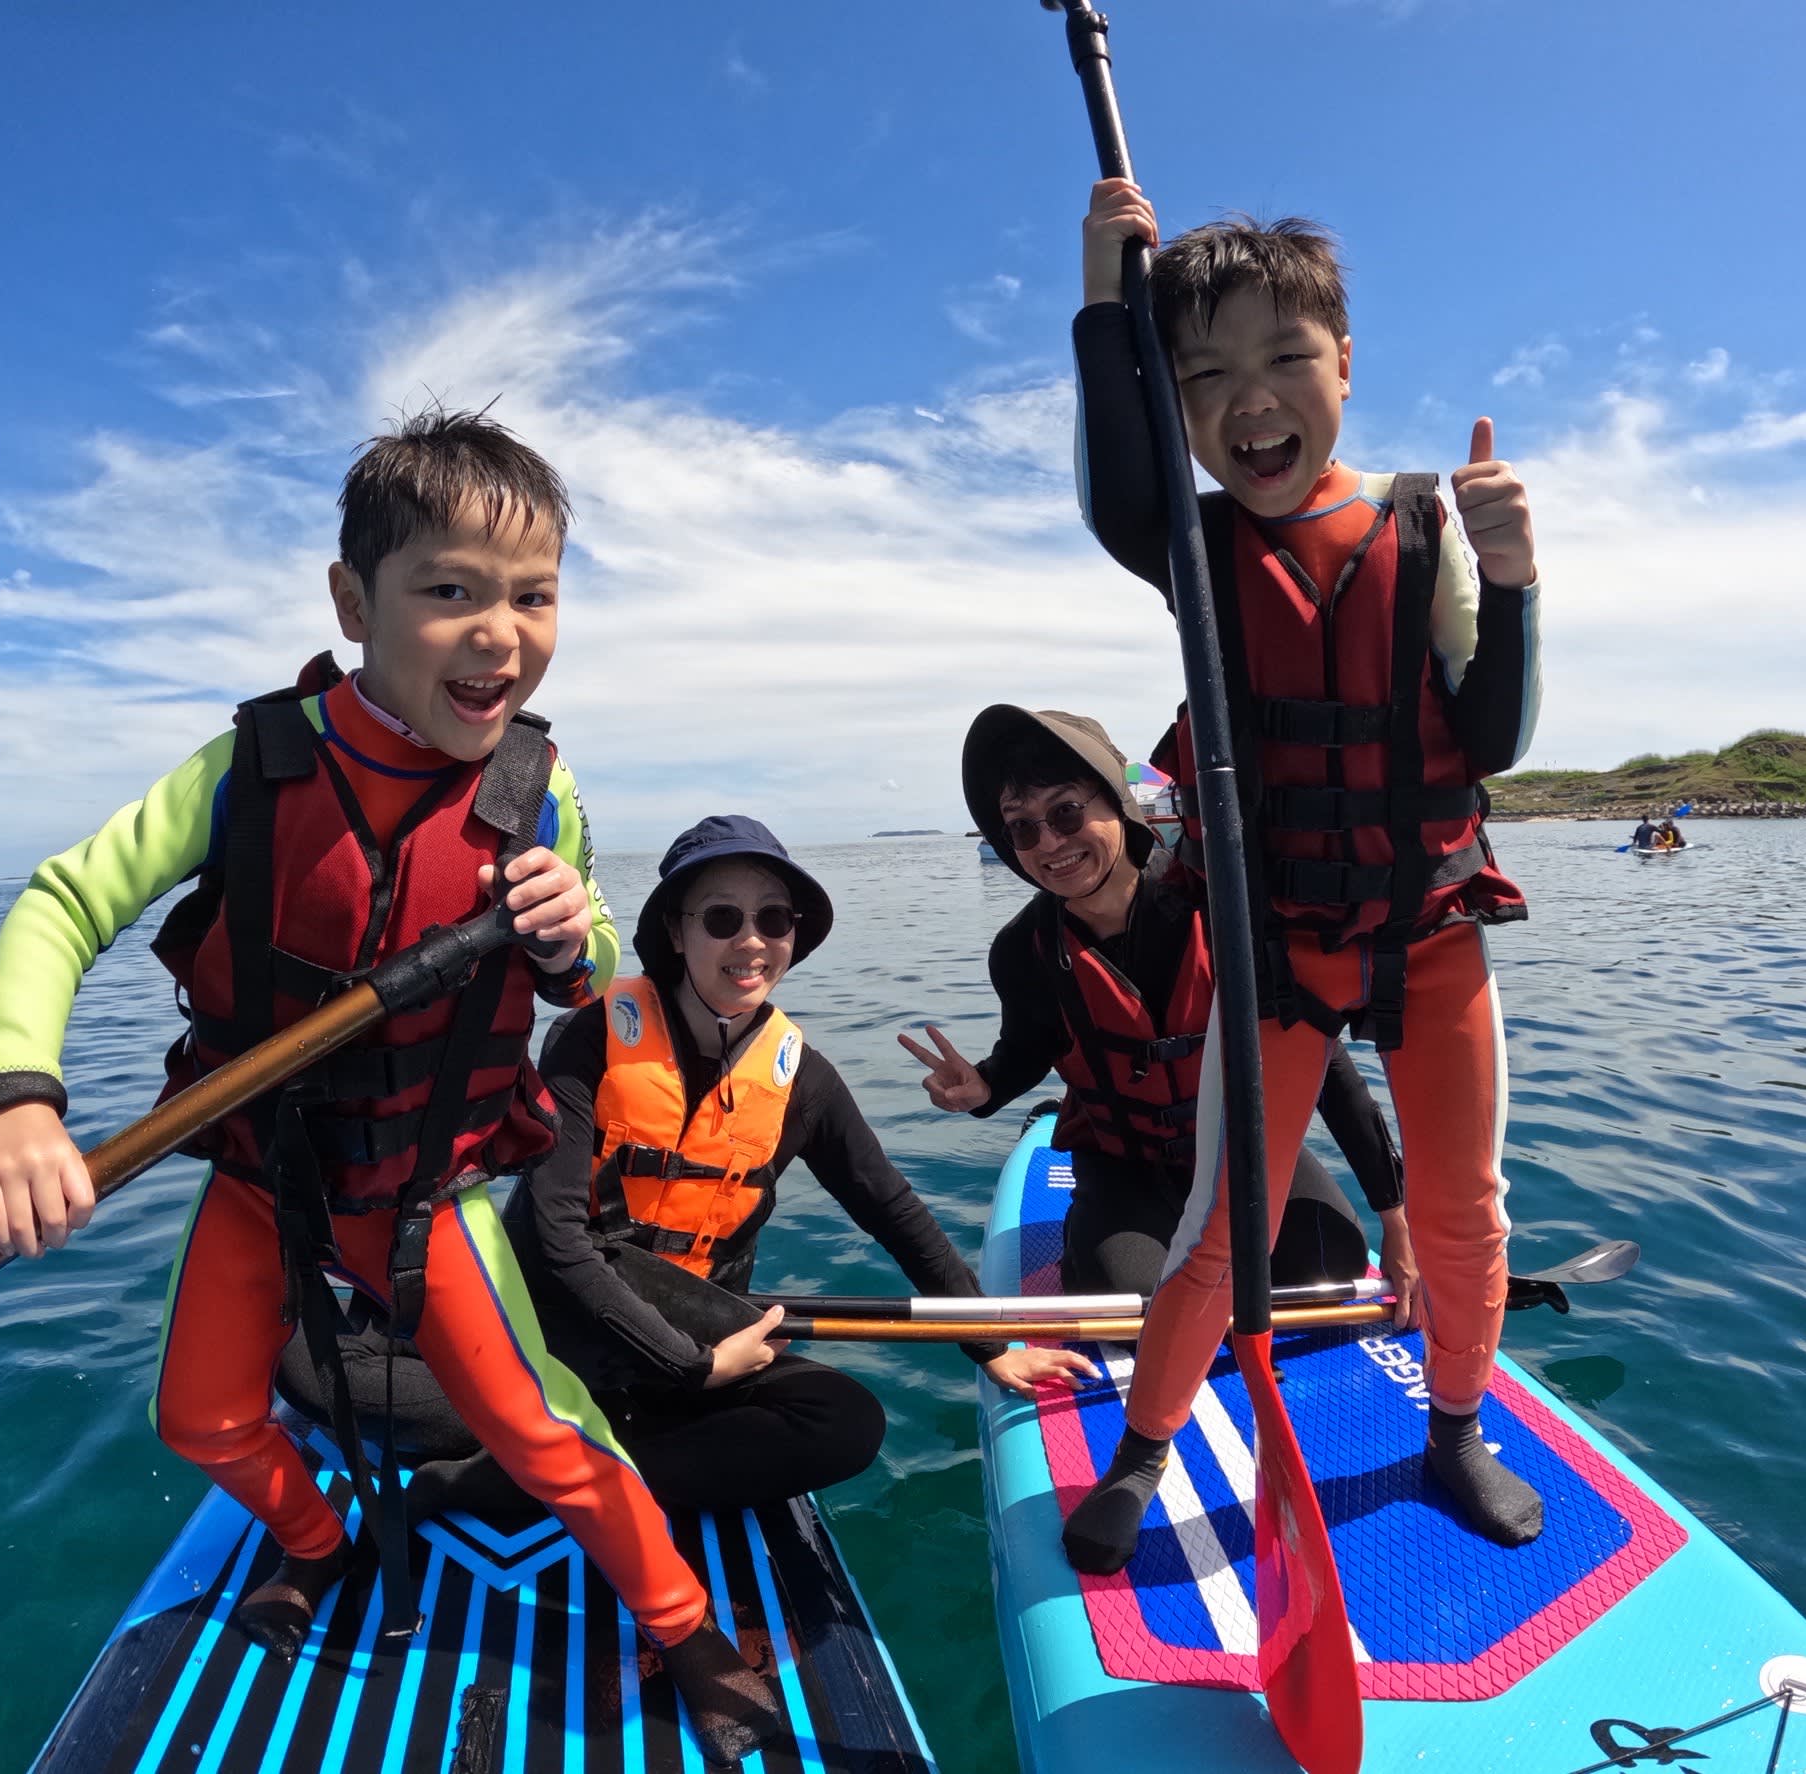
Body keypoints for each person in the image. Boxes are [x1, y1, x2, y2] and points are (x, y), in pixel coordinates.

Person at [0, 407, 778, 1764]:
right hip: (262, 1178)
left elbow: (595, 967)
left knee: (541, 1430)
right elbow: (64, 900)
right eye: (449, 591)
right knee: (200, 1417)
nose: (498, 634)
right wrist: (22, 1095)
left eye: (533, 596)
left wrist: (571, 938)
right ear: (355, 602)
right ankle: (317, 1538)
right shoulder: (252, 765)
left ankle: (686, 1626)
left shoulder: (542, 790)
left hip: (422, 1193)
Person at [1062, 183, 1547, 1568]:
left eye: (1286, 359)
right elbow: (1117, 479)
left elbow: (1496, 737)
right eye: (1204, 378)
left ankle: (1456, 1426)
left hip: (1432, 936)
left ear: (1346, 365)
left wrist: (1513, 578)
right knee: (1224, 1225)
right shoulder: (1192, 545)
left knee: (1464, 1213)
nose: (1251, 402)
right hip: (1276, 947)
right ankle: (1145, 1450)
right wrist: (1104, 303)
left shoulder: (1421, 522)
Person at [467, 815, 1091, 1519]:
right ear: (676, 932)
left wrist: (991, 1347)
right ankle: (515, 1477)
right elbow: (555, 1238)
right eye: (723, 918)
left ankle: (569, 1469)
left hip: (693, 1338)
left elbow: (892, 1210)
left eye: (773, 919)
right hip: (566, 1324)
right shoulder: (589, 1038)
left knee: (846, 1422)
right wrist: (691, 1365)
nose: (753, 942)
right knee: (432, 1398)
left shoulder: (803, 1080)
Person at [901, 705, 1416, 1313]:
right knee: (1131, 1302)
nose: (1050, 844)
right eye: (1022, 828)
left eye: (1066, 812)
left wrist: (1398, 1218)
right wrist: (984, 1087)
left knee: (1329, 1266)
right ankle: (1092, 1239)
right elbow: (1028, 1049)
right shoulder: (1023, 951)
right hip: (1122, 1163)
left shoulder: (1227, 911)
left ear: (1116, 801)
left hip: (1240, 1149)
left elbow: (1326, 1068)